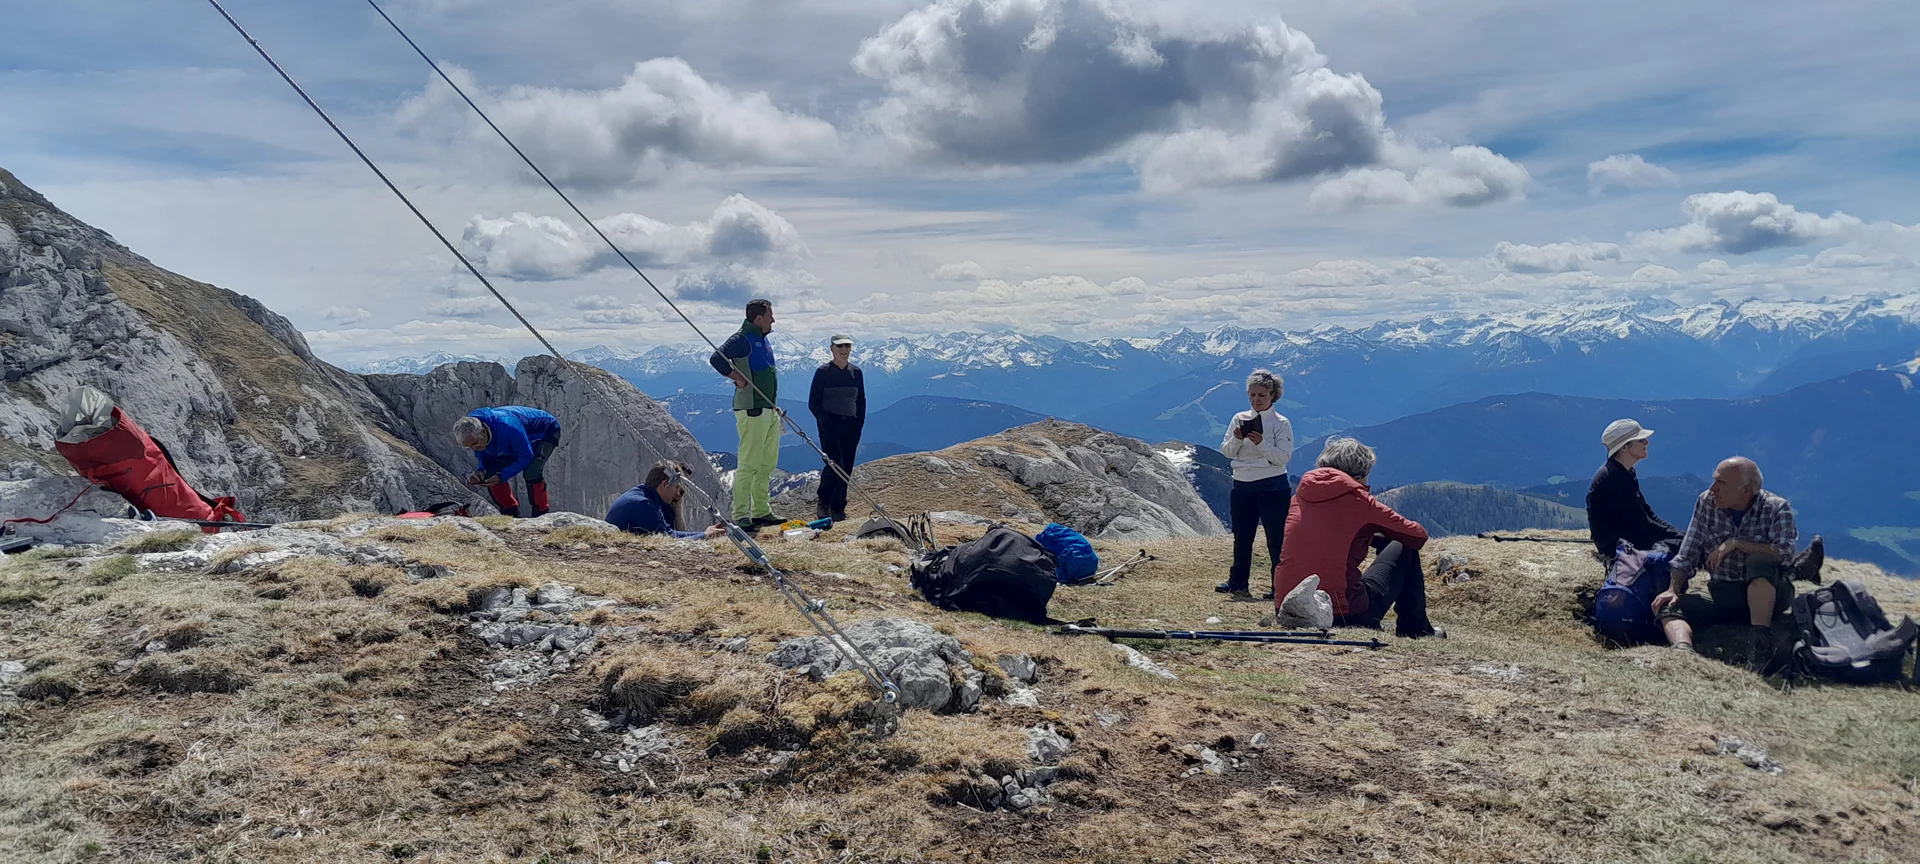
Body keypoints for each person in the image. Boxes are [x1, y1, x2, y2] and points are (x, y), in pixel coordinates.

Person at [1654, 457, 1824, 668]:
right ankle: (1683, 652)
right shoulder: (1706, 501)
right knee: (1668, 606)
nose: (1713, 488)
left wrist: (1736, 544)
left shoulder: (1776, 508)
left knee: (1759, 562)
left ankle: (1760, 643)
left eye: (1722, 483)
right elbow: (1689, 550)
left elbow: (1786, 554)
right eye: (1714, 480)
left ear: (1746, 490)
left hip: (1772, 594)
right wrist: (1673, 588)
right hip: (1724, 592)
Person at [1272, 437, 1443, 638]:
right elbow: (1417, 536)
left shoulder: (1299, 497)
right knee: (1403, 546)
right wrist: (1377, 533)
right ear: (1361, 473)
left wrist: (1366, 534)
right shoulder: (1360, 501)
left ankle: (1416, 628)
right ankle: (1416, 629)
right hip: (1344, 614)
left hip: (1287, 607)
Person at [1215, 369, 1294, 599]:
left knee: (1276, 539)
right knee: (1242, 536)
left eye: (1261, 395)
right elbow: (1227, 452)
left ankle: (1279, 586)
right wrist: (1238, 438)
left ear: (1273, 395)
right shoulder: (1238, 419)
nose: (1256, 400)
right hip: (1242, 485)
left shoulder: (1281, 423)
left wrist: (1261, 444)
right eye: (1252, 395)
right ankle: (1238, 582)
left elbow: (1282, 458)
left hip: (1273, 486)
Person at [708, 298, 783, 529]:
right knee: (749, 463)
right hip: (752, 409)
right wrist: (736, 377)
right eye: (770, 316)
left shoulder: (760, 339)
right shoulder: (742, 339)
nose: (773, 320)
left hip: (767, 409)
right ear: (758, 319)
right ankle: (741, 514)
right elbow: (716, 358)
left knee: (766, 463)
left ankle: (761, 510)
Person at [1586, 418, 1685, 560]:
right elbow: (1642, 523)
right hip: (1619, 545)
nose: (1647, 442)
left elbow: (1647, 513)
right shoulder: (1614, 478)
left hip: (1629, 538)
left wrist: (1678, 533)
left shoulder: (1623, 472)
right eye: (1641, 440)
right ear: (1624, 447)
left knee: (1683, 544)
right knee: (1683, 547)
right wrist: (1680, 536)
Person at [452, 406, 562, 518]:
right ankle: (509, 514)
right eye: (469, 447)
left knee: (532, 471)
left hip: (545, 431)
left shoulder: (508, 427)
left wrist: (502, 476)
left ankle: (541, 514)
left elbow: (526, 456)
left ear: (483, 432)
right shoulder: (475, 432)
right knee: (490, 473)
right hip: (513, 438)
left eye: (475, 444)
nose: (474, 449)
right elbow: (484, 457)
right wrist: (481, 470)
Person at [808, 334, 867, 521]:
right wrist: (824, 421)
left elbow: (861, 400)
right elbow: (813, 403)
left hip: (851, 425)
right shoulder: (823, 372)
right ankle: (824, 501)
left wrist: (859, 423)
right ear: (832, 348)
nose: (844, 350)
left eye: (847, 346)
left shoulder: (856, 373)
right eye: (840, 346)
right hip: (830, 426)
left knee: (846, 467)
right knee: (835, 465)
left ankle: (839, 508)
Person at [605, 460, 727, 540]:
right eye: (678, 488)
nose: (679, 494)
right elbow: (669, 539)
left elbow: (676, 532)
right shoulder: (643, 505)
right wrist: (705, 535)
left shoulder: (653, 498)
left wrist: (678, 508)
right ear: (664, 484)